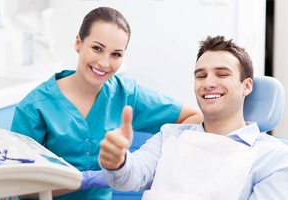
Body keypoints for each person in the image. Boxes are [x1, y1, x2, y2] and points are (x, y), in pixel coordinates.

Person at [10, 6, 203, 200]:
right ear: (78, 43)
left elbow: (194, 118)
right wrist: (84, 180)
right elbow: (21, 187)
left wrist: (145, 160)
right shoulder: (34, 107)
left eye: (116, 54)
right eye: (97, 48)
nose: (104, 63)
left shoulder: (126, 95)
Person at [99, 35, 288, 200]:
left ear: (247, 86)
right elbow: (130, 176)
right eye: (201, 76)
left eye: (222, 74)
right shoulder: (170, 136)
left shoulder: (273, 158)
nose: (208, 83)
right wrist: (118, 162)